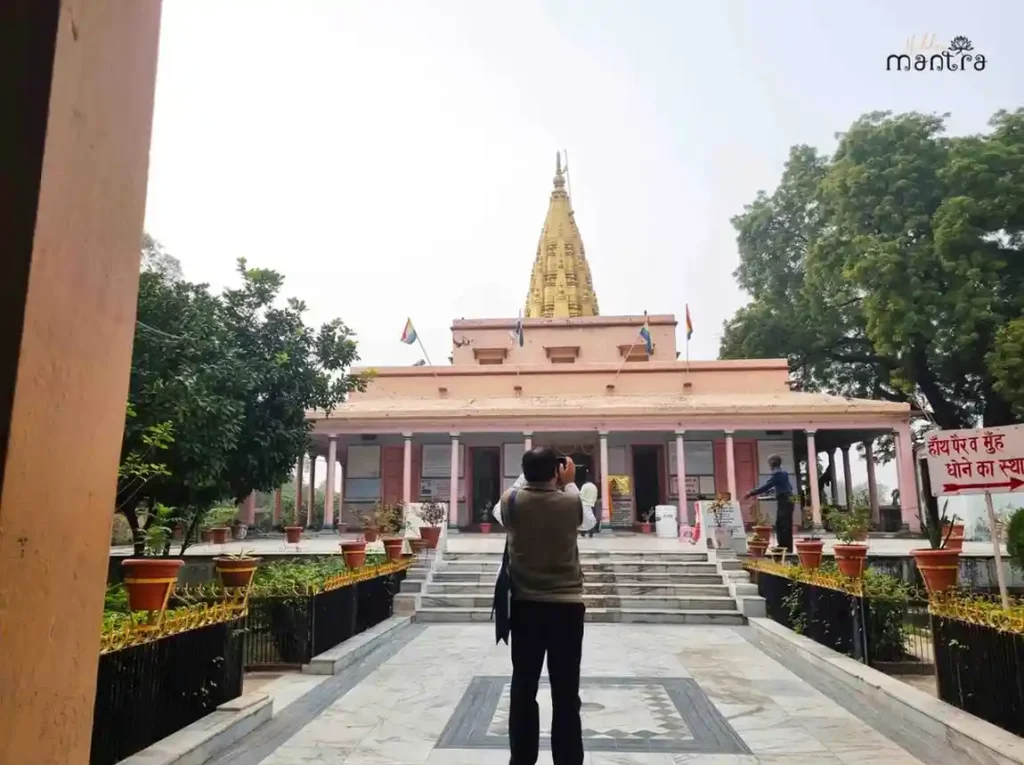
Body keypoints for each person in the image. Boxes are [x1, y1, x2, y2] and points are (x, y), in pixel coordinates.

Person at [498, 448, 595, 765]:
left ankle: (522, 759)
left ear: (525, 472)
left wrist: (534, 471)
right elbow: (587, 520)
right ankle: (568, 760)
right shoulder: (570, 502)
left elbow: (510, 499)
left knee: (523, 687)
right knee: (566, 692)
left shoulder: (510, 502)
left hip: (525, 606)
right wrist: (568, 481)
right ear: (557, 471)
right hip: (566, 607)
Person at [744, 454, 794, 552]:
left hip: (785, 500)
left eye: (769, 463)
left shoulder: (778, 474)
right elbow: (786, 488)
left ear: (772, 463)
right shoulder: (783, 473)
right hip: (787, 499)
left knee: (783, 524)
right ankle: (785, 546)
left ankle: (785, 547)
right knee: (782, 523)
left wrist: (751, 493)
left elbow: (766, 486)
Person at [576, 465, 600, 538]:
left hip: (585, 504)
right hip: (592, 504)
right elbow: (596, 495)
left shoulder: (585, 486)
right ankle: (591, 532)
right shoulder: (594, 487)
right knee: (591, 519)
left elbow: (581, 495)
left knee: (584, 519)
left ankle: (583, 532)